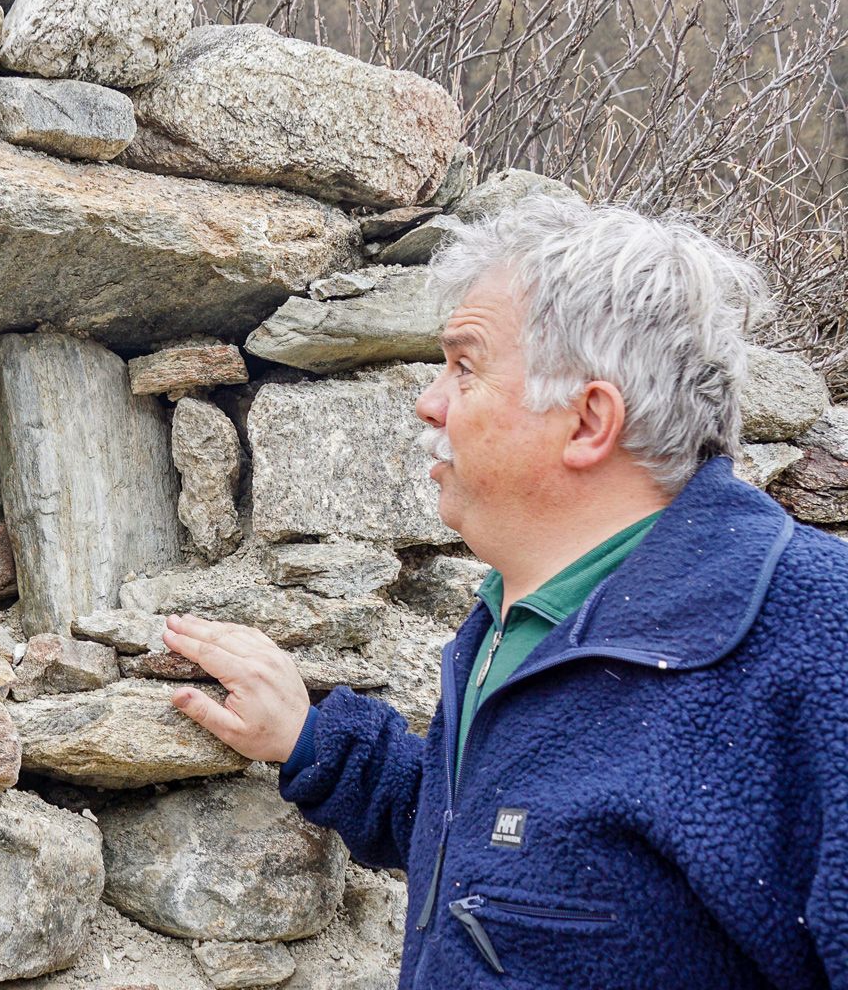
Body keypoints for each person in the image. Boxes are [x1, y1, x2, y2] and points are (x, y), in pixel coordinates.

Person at [161, 195, 848, 988]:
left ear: (588, 421)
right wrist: (310, 740)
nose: (429, 401)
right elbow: (501, 843)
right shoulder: (521, 614)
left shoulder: (815, 640)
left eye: (465, 366)